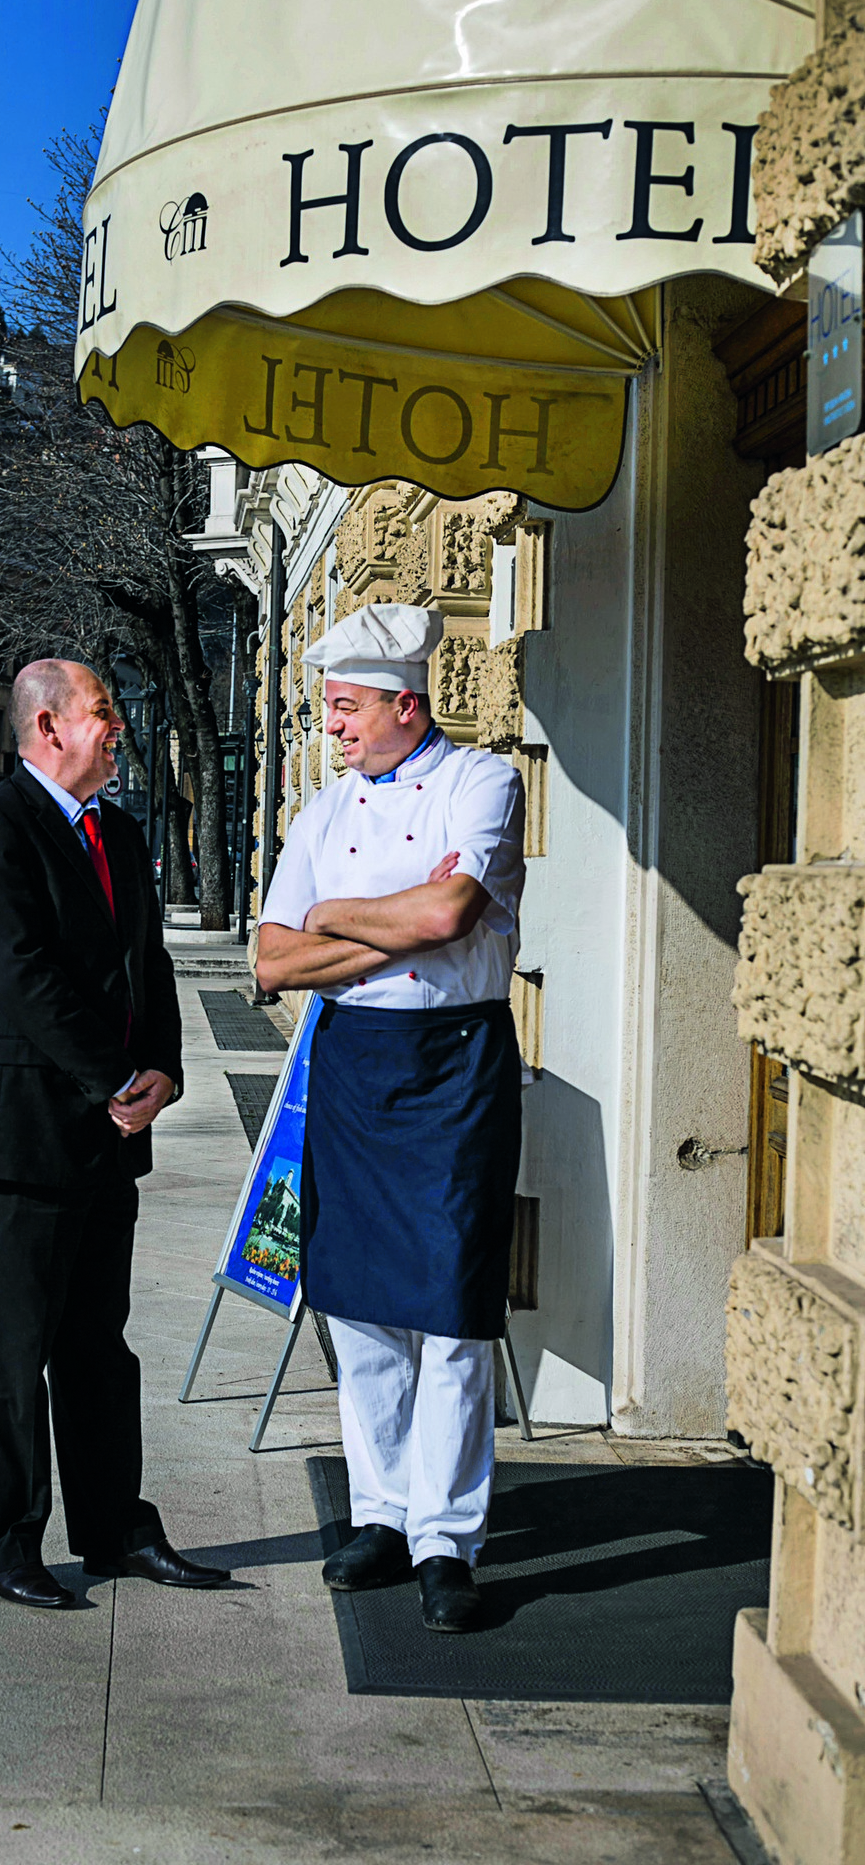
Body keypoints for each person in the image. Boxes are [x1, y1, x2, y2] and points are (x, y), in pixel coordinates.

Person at [255, 603, 525, 1633]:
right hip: (356, 1062)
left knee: (451, 1308)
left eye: (345, 708)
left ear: (404, 706)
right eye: (327, 708)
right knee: (357, 1302)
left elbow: (452, 916)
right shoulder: (320, 814)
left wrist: (334, 919)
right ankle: (379, 1513)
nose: (331, 726)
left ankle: (446, 1539)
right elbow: (273, 961)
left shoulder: (480, 782)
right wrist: (389, 927)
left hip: (456, 1063)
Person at [0, 657, 229, 1609]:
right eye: (102, 712)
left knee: (100, 1347)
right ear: (49, 728)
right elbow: (22, 976)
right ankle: (5, 1543)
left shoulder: (120, 828)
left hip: (111, 1136)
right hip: (25, 1132)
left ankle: (113, 1529)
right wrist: (111, 1077)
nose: (116, 727)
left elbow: (144, 965)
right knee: (16, 1348)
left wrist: (164, 1072)